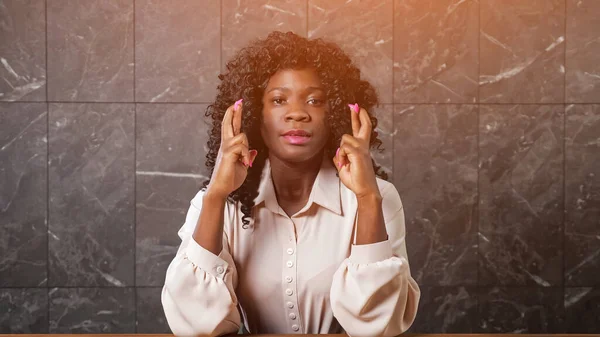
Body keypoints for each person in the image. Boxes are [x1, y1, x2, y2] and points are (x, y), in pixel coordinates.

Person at [161, 31, 420, 337]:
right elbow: (194, 325)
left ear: (335, 113)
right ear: (256, 115)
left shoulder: (378, 198)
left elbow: (379, 327)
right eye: (279, 100)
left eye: (315, 100)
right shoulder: (220, 201)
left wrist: (367, 199)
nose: (297, 113)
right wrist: (216, 196)